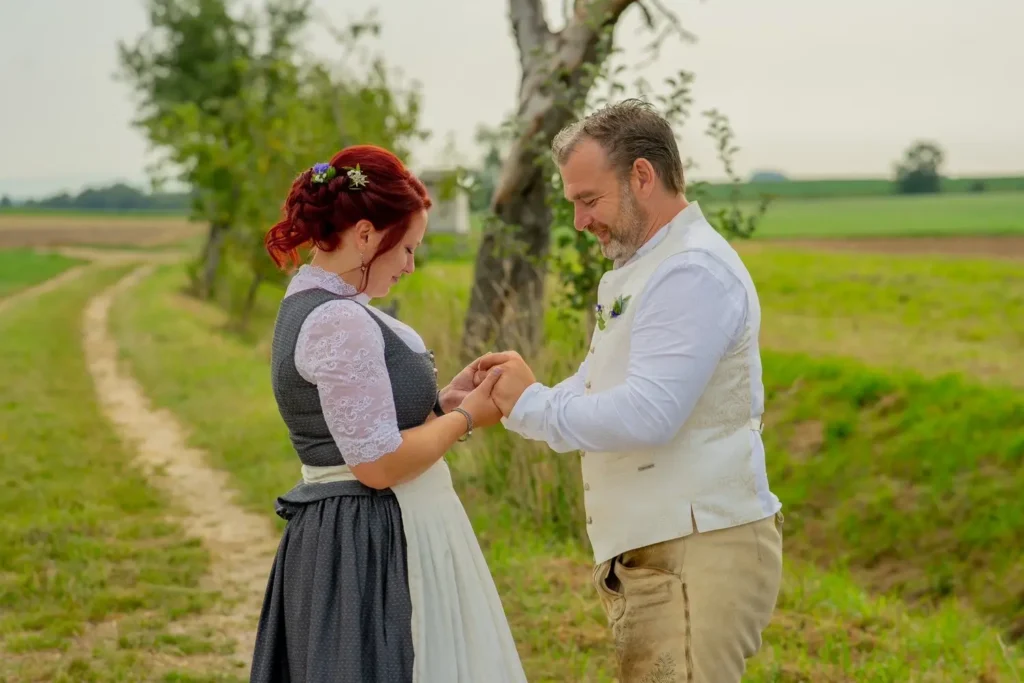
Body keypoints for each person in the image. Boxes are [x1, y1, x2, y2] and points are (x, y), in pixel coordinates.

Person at [474, 100, 784, 683]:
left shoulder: (691, 271)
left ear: (643, 176)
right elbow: (604, 383)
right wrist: (518, 398)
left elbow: (648, 414)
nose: (579, 221)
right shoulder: (649, 267)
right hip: (663, 549)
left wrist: (532, 405)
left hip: (697, 552)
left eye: (588, 200)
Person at [249, 144, 528, 683]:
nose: (410, 265)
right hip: (367, 541)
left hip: (350, 529)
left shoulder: (313, 302)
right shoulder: (340, 320)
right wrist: (466, 418)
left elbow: (364, 416)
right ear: (364, 235)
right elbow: (376, 464)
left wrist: (444, 400)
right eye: (406, 248)